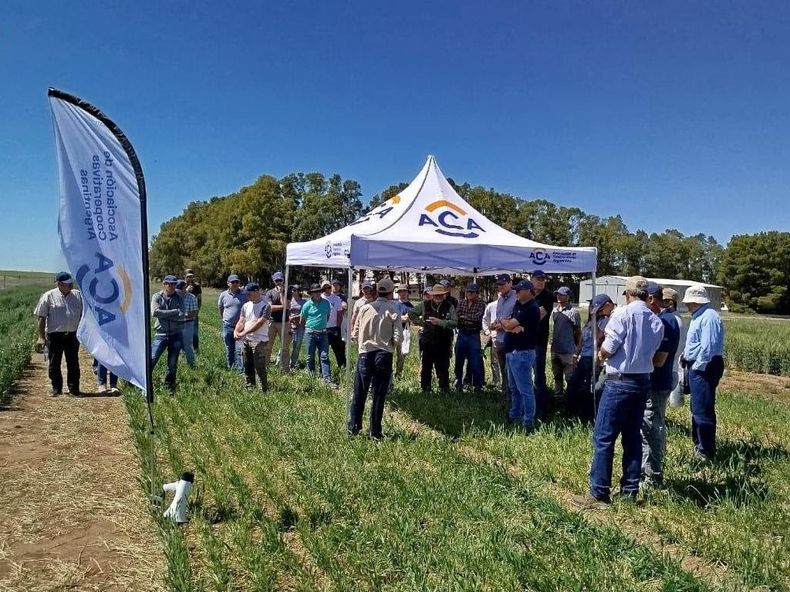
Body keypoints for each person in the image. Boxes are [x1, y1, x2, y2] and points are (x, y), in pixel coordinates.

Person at [572, 276, 664, 509]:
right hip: (642, 382)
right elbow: (654, 353)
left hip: (618, 381)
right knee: (632, 437)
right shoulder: (656, 322)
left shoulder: (621, 316)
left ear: (628, 293)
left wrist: (601, 357)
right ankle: (629, 491)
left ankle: (599, 492)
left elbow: (609, 348)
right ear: (648, 296)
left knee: (604, 437)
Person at [348, 278, 403, 439]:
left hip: (365, 353)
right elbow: (398, 338)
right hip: (384, 355)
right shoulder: (393, 311)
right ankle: (375, 431)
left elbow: (355, 331)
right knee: (379, 395)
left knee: (359, 392)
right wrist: (389, 345)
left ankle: (354, 427)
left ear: (377, 291)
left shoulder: (365, 308)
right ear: (391, 292)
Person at [642, 282, 680, 487]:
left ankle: (652, 477)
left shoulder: (665, 322)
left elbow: (659, 360)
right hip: (658, 381)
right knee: (651, 427)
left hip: (656, 382)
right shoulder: (665, 319)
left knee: (650, 429)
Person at [682, 284, 725, 461]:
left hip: (705, 366)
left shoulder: (709, 317)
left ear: (695, 301)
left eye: (689, 302)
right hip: (699, 365)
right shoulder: (700, 316)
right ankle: (700, 444)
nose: (687, 305)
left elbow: (708, 348)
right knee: (697, 407)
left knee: (702, 409)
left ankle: (705, 450)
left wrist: (697, 367)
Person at [500, 280, 541, 429]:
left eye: (519, 290)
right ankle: (514, 415)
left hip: (522, 353)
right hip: (512, 351)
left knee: (525, 390)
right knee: (513, 388)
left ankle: (528, 422)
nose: (516, 292)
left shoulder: (531, 308)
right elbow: (511, 325)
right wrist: (509, 325)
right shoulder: (519, 305)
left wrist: (503, 322)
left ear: (529, 291)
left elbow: (508, 324)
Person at [566, 294, 614, 422]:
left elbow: (598, 336)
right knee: (573, 383)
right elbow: (582, 339)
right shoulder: (588, 322)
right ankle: (572, 411)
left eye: (594, 306)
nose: (591, 308)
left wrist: (594, 318)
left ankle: (587, 415)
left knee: (589, 386)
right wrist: (576, 354)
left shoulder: (605, 320)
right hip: (584, 357)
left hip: (593, 357)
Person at [34, 272, 83, 396]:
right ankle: (56, 388)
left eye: (71, 283)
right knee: (54, 362)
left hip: (72, 335)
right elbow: (41, 318)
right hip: (55, 335)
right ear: (60, 284)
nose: (71, 286)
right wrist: (41, 337)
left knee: (73, 362)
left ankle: (74, 389)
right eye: (68, 284)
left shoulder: (78, 295)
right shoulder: (48, 296)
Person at [408, 284, 457, 392]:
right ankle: (426, 389)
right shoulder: (424, 305)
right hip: (428, 341)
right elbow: (411, 313)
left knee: (443, 367)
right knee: (426, 367)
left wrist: (441, 322)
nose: (438, 297)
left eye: (440, 295)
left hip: (444, 341)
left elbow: (454, 322)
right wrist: (421, 322)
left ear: (443, 295)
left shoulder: (449, 306)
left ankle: (444, 390)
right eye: (436, 295)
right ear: (432, 295)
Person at [151, 275, 186, 391]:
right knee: (152, 358)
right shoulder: (156, 297)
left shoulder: (179, 298)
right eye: (169, 284)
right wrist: (174, 312)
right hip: (161, 333)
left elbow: (181, 315)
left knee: (172, 364)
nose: (171, 286)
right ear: (164, 284)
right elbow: (155, 313)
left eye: (173, 284)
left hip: (176, 334)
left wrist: (164, 314)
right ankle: (146, 384)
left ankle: (169, 387)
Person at [234, 283, 271, 393]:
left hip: (259, 340)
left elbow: (259, 323)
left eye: (249, 294)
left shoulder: (266, 306)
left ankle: (263, 389)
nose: (248, 296)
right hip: (246, 340)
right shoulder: (246, 305)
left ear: (256, 292)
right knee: (247, 364)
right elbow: (241, 320)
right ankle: (250, 386)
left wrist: (243, 332)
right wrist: (236, 330)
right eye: (247, 294)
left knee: (259, 366)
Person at [488, 274, 517, 405]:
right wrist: (493, 324)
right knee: (504, 370)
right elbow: (499, 317)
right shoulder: (500, 299)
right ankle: (506, 396)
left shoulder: (516, 297)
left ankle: (513, 399)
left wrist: (500, 325)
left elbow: (516, 317)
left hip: (512, 340)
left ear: (510, 283)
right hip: (499, 340)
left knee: (511, 371)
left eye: (503, 284)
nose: (500, 286)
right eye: (499, 284)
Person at [530, 270, 554, 418]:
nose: (541, 281)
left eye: (543, 279)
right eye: (538, 279)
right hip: (524, 340)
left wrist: (520, 318)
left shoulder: (548, 296)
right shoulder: (527, 293)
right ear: (531, 279)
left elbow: (536, 316)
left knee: (538, 374)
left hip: (539, 341)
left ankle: (541, 409)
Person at [551, 286, 582, 400]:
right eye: (558, 294)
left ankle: (571, 398)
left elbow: (578, 332)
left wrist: (577, 350)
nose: (559, 296)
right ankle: (558, 397)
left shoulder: (573, 312)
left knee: (569, 378)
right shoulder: (555, 311)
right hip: (555, 349)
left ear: (568, 297)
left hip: (568, 350)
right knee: (557, 376)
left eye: (562, 294)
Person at [454, 283, 485, 391]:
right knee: (459, 359)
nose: (469, 293)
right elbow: (457, 317)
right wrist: (466, 319)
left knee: (475, 360)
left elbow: (477, 318)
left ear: (477, 293)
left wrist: (464, 318)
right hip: (462, 333)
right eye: (468, 291)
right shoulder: (461, 302)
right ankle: (458, 382)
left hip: (474, 334)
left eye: (472, 292)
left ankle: (477, 385)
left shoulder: (481, 304)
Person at [300, 283, 333, 384]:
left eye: (319, 291)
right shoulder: (307, 305)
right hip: (310, 332)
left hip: (323, 333)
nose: (318, 293)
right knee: (310, 356)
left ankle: (326, 378)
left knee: (324, 356)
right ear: (312, 294)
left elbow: (327, 316)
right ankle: (311, 375)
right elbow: (302, 320)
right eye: (315, 292)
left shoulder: (326, 303)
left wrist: (321, 325)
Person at [663, 288, 688, 407]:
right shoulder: (678, 319)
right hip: (673, 368)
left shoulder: (672, 321)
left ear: (670, 303)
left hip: (669, 368)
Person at [218, 274, 247, 372]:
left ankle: (240, 371)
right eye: (233, 282)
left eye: (237, 282)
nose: (235, 284)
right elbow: (221, 308)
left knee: (239, 350)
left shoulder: (244, 294)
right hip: (227, 326)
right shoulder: (223, 295)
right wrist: (224, 319)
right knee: (229, 349)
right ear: (228, 283)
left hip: (240, 327)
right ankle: (230, 368)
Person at [265, 271, 291, 372]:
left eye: (280, 280)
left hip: (284, 322)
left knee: (284, 347)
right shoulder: (269, 293)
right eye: (277, 280)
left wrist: (281, 294)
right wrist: (283, 307)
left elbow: (287, 305)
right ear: (273, 281)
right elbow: (270, 307)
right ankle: (265, 367)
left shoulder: (287, 292)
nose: (279, 282)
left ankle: (285, 369)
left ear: (283, 280)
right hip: (272, 322)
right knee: (267, 346)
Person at [324, 279, 348, 368]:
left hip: (339, 325)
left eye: (337, 285)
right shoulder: (325, 296)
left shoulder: (342, 297)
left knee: (340, 347)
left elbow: (345, 306)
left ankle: (342, 365)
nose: (335, 286)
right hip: (326, 326)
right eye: (334, 285)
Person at [175, 279, 198, 368]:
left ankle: (191, 364)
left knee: (187, 344)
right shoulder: (174, 296)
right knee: (175, 343)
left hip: (187, 324)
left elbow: (193, 313)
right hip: (176, 324)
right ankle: (177, 363)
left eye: (182, 289)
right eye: (178, 290)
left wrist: (179, 314)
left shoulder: (191, 297)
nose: (180, 292)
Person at [394, 284, 414, 379]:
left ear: (407, 292)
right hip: (392, 332)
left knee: (401, 355)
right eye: (400, 291)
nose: (402, 293)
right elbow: (390, 317)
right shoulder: (393, 304)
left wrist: (398, 318)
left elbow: (409, 318)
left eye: (404, 291)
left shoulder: (410, 306)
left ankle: (398, 374)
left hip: (404, 333)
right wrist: (401, 318)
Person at [481, 299, 501, 386]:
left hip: (508, 336)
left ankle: (506, 382)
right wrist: (487, 331)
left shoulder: (512, 304)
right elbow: (485, 320)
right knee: (495, 361)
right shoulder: (492, 305)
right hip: (494, 336)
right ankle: (497, 382)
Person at [288, 285, 307, 369]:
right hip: (289, 326)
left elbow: (305, 313)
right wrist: (289, 318)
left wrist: (296, 317)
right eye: (292, 290)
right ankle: (280, 361)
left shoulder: (304, 302)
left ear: (299, 291)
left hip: (300, 326)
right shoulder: (289, 301)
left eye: (295, 290)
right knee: (285, 344)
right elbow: (285, 312)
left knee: (297, 345)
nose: (293, 292)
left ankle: (292, 363)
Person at [184, 269, 202, 353]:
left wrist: (197, 311)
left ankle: (196, 348)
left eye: (191, 276)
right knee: (183, 331)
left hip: (194, 311)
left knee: (194, 332)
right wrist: (187, 289)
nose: (190, 278)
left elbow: (199, 299)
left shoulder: (197, 286)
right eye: (188, 276)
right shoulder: (181, 284)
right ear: (185, 276)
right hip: (183, 312)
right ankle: (183, 349)